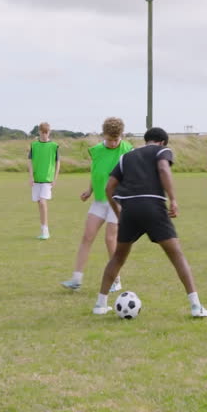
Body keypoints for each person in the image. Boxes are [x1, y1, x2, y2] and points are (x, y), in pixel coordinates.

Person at [93, 127, 207, 318]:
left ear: (146, 140)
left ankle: (100, 305)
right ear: (163, 142)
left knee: (118, 258)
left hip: (129, 209)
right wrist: (173, 199)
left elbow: (109, 187)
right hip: (153, 206)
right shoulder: (162, 151)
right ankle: (196, 306)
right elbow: (164, 168)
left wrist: (118, 213)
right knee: (177, 256)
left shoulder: (126, 157)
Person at [61, 117, 133, 292]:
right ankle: (76, 279)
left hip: (118, 201)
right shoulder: (96, 150)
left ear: (121, 136)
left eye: (116, 140)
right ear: (103, 136)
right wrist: (90, 190)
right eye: (109, 140)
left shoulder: (128, 150)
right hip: (100, 200)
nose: (113, 143)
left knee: (110, 239)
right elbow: (97, 171)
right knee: (87, 236)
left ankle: (116, 280)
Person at [27, 122, 60, 240]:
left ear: (49, 132)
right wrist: (30, 177)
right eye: (43, 132)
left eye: (47, 132)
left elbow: (58, 163)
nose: (45, 134)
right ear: (39, 132)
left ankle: (46, 231)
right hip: (36, 179)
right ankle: (43, 228)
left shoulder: (54, 146)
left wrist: (55, 178)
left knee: (42, 202)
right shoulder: (34, 145)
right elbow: (29, 161)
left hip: (47, 179)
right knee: (39, 203)